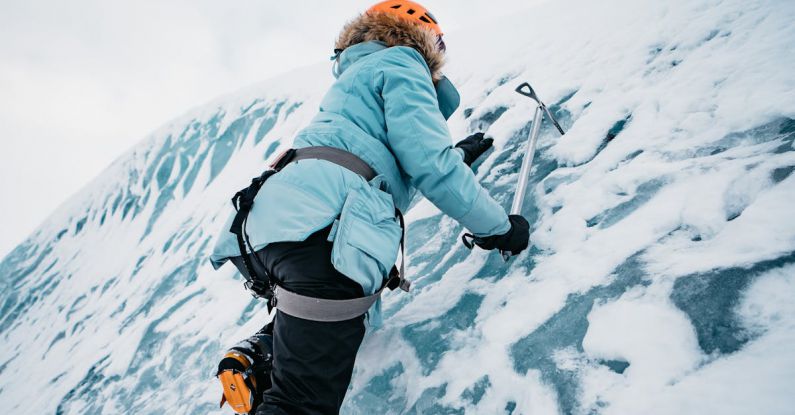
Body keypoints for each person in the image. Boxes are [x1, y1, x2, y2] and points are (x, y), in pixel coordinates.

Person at [209, 1, 530, 414]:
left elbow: (373, 180)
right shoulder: (402, 61)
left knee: (324, 309)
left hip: (265, 226)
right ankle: (275, 362)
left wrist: (458, 157)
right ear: (422, 37)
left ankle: (262, 355)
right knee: (302, 403)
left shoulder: (351, 82)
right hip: (320, 234)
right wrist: (499, 228)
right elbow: (428, 163)